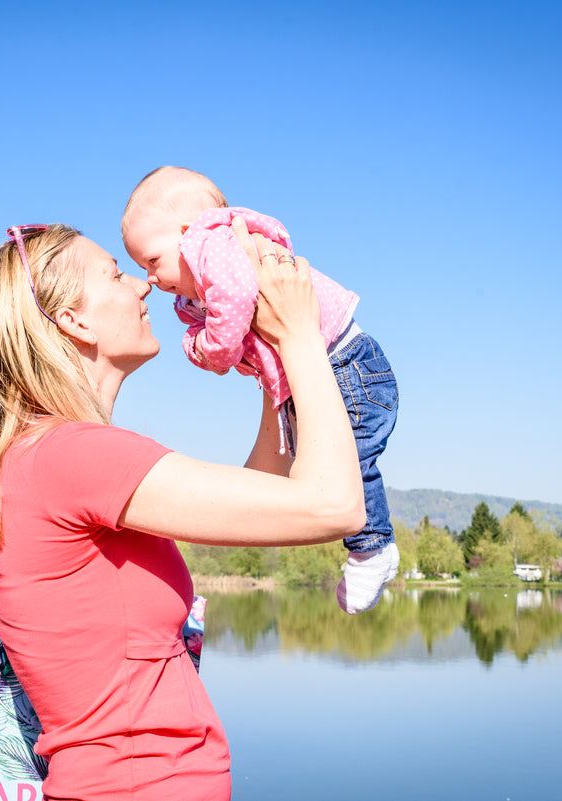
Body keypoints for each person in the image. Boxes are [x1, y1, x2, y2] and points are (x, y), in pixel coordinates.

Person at [0, 219, 366, 801]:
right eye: (116, 275)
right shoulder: (74, 456)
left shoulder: (45, 455)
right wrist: (301, 337)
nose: (145, 287)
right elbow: (337, 506)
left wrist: (270, 363)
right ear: (73, 320)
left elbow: (263, 498)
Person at [121, 166, 400, 614]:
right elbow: (264, 487)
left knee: (353, 458)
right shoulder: (202, 278)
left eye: (151, 261)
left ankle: (372, 547)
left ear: (187, 232)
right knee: (318, 469)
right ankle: (369, 547)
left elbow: (229, 318)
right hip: (318, 367)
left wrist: (212, 349)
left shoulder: (214, 245)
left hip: (346, 364)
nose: (148, 280)